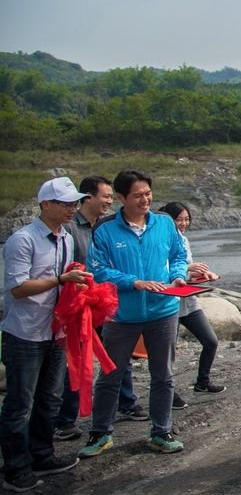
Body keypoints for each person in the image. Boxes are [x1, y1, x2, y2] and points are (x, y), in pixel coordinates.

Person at [81, 170, 190, 458]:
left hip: (163, 310)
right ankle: (101, 432)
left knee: (163, 375)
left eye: (148, 194)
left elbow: (179, 256)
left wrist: (178, 276)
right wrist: (134, 282)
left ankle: (161, 431)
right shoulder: (105, 231)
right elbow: (99, 270)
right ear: (121, 198)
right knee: (110, 374)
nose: (145, 200)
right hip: (122, 314)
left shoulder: (165, 224)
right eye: (138, 195)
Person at [1, 178, 88, 492]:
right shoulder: (22, 240)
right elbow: (18, 288)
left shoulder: (65, 237)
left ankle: (41, 453)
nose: (72, 209)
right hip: (25, 333)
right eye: (65, 203)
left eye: (74, 203)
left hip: (56, 332)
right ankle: (15, 467)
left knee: (50, 398)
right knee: (19, 402)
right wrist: (62, 279)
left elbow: (64, 282)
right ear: (45, 205)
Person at [54, 175, 148, 441]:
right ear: (87, 197)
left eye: (110, 196)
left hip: (107, 305)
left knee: (120, 357)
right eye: (105, 196)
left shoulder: (108, 227)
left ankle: (126, 403)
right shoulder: (72, 230)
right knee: (77, 360)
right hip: (81, 307)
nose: (108, 202)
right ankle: (66, 419)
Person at [160, 202, 226, 405]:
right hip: (169, 301)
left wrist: (202, 273)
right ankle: (167, 393)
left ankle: (202, 382)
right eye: (179, 219)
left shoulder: (185, 240)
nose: (183, 223)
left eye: (186, 219)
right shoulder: (160, 240)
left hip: (187, 299)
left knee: (210, 340)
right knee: (168, 350)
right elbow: (163, 268)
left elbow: (186, 270)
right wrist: (189, 267)